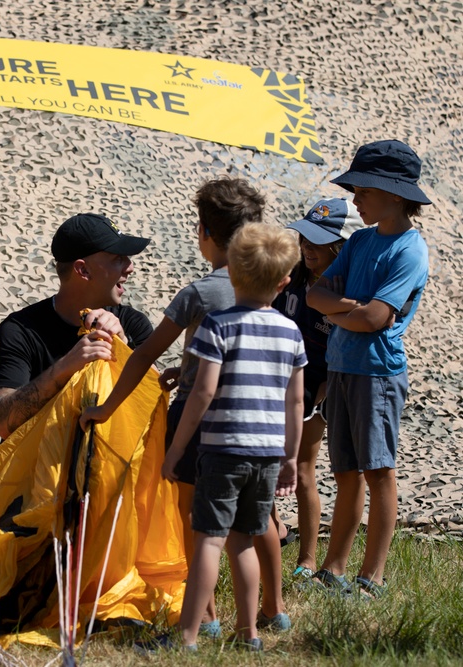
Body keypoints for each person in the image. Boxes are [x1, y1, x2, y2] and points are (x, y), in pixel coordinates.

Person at [80, 177, 266, 637]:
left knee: (195, 523)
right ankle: (266, 615)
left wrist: (105, 409)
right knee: (248, 530)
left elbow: (143, 353)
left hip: (199, 422)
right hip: (253, 422)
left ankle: (204, 618)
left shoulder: (200, 294)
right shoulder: (266, 289)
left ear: (205, 233)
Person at [163, 223, 305, 651]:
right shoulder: (290, 332)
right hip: (266, 455)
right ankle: (250, 634)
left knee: (208, 539)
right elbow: (295, 403)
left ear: (233, 273)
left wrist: (176, 449)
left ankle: (187, 636)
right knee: (244, 539)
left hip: (223, 450)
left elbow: (202, 391)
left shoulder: (218, 326)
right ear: (284, 282)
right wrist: (291, 458)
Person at [306, 140, 431, 599]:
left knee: (379, 473)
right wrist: (353, 311)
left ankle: (372, 577)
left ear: (394, 195)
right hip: (342, 366)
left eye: (363, 189)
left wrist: (353, 312)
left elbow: (376, 319)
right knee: (345, 471)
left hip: (377, 373)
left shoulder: (410, 251)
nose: (354, 198)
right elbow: (317, 295)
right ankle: (334, 569)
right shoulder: (359, 241)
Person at [0, 213, 153, 440]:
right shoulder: (20, 330)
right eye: (118, 258)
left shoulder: (133, 325)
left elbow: (153, 408)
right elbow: (3, 423)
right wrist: (65, 366)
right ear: (83, 270)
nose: (130, 267)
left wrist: (124, 349)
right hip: (41, 474)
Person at [274, 198, 362, 581]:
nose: (307, 246)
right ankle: (276, 533)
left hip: (318, 384)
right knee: (269, 461)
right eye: (304, 236)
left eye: (318, 240)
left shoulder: (345, 288)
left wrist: (323, 391)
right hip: (277, 376)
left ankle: (308, 559)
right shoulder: (291, 276)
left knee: (304, 468)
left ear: (340, 246)